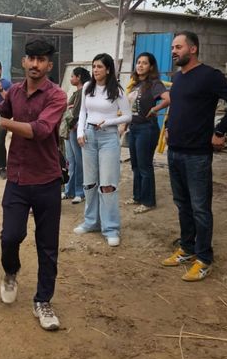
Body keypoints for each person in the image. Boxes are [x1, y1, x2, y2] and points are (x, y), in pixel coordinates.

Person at [0, 37, 67, 331]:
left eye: (42, 60)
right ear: (24, 62)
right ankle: (10, 271)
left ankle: (43, 300)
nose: (35, 64)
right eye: (31, 59)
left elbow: (39, 131)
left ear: (49, 65)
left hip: (47, 180)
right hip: (16, 178)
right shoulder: (13, 92)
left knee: (47, 246)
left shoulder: (57, 96)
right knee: (10, 237)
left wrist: (0, 124)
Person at [162, 31, 227, 281]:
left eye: (178, 47)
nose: (173, 51)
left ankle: (204, 258)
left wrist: (220, 130)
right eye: (172, 47)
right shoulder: (179, 79)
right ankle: (187, 248)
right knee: (182, 205)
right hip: (175, 152)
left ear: (192, 49)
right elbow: (179, 107)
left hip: (197, 156)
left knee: (200, 208)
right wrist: (170, 127)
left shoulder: (209, 76)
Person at [74, 53, 131, 246]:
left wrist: (109, 121)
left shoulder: (117, 90)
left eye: (99, 66)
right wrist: (80, 132)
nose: (95, 70)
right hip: (88, 136)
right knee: (89, 182)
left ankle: (111, 228)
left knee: (107, 184)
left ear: (108, 69)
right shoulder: (88, 88)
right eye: (93, 66)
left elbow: (128, 116)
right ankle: (91, 222)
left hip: (108, 137)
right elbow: (83, 112)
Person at [125, 52, 170, 213]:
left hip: (147, 129)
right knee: (135, 166)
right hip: (134, 128)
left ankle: (148, 201)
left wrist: (155, 108)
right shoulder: (136, 84)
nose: (140, 65)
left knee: (144, 166)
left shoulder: (154, 83)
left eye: (144, 63)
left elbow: (168, 98)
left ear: (151, 67)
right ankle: (137, 196)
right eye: (138, 62)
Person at [62, 67, 91, 204]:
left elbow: (76, 113)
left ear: (79, 77)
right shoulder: (76, 93)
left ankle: (80, 191)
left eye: (72, 76)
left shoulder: (82, 93)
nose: (71, 79)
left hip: (75, 129)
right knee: (71, 162)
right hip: (70, 130)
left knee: (78, 162)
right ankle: (69, 190)